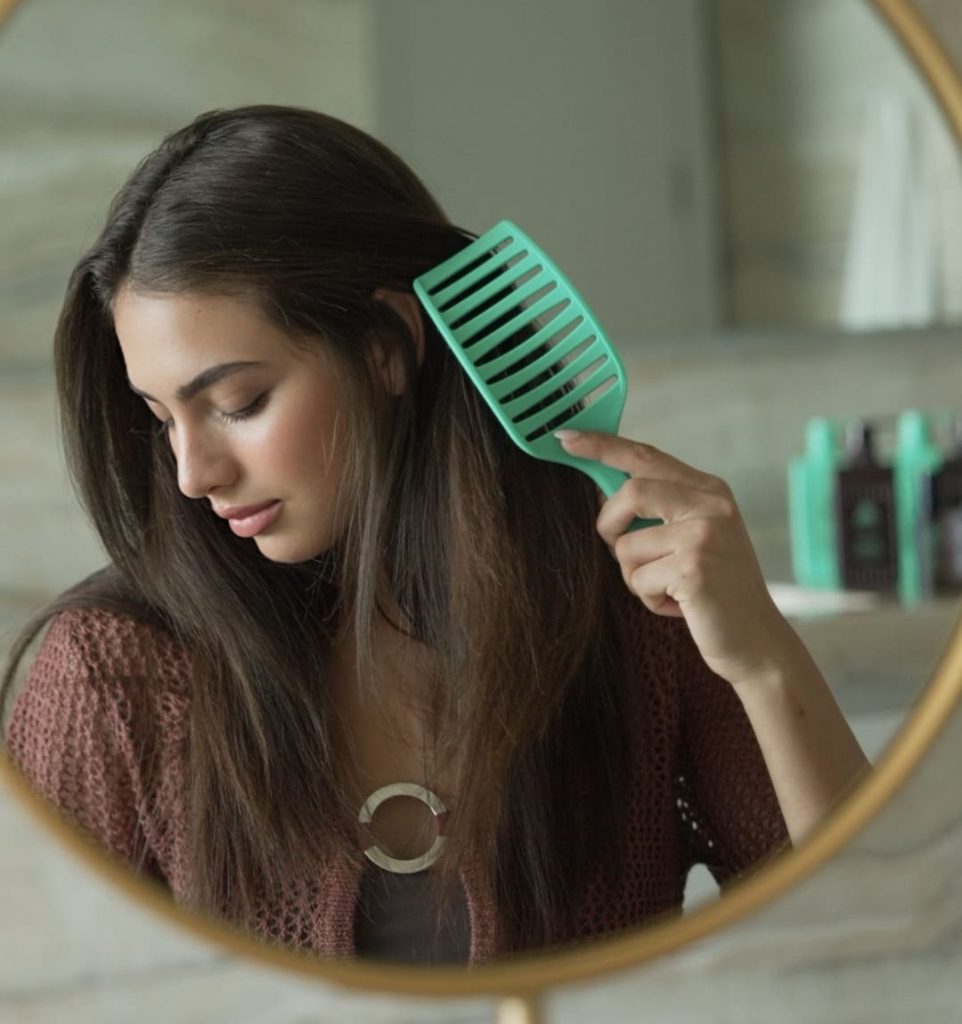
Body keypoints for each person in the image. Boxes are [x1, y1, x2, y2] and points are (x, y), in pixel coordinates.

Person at [0, 104, 870, 967]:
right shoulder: (114, 676)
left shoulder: (630, 619)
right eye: (162, 420)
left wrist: (761, 655)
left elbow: (876, 933)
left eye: (237, 404)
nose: (193, 475)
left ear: (386, 344)